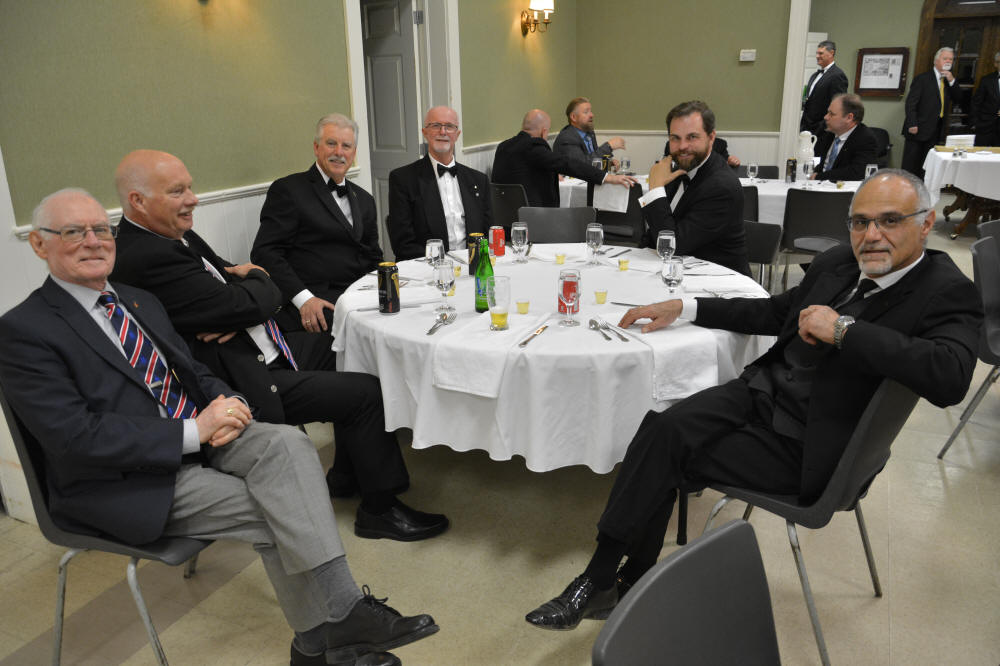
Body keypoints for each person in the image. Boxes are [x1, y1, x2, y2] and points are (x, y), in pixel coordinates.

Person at [0, 188, 444, 666]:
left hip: (201, 436)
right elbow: (74, 438)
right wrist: (195, 431)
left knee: (289, 445)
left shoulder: (137, 300)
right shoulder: (25, 330)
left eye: (101, 230)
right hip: (126, 478)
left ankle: (334, 626)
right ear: (39, 243)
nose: (93, 241)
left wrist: (226, 402)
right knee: (279, 507)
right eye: (73, 232)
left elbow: (190, 368)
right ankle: (324, 639)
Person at [523, 169, 982, 631]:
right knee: (661, 427)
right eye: (860, 222)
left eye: (890, 220)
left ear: (926, 223)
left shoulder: (945, 289)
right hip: (761, 393)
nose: (872, 235)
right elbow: (775, 312)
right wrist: (686, 307)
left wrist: (844, 330)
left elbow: (950, 377)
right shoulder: (840, 263)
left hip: (813, 443)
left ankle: (604, 578)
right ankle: (616, 579)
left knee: (666, 454)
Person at [110, 150, 449, 544]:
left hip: (262, 344)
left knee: (347, 347)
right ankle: (379, 509)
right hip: (243, 375)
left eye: (190, 188)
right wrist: (252, 284)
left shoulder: (174, 233)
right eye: (177, 191)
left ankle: (346, 474)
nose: (193, 199)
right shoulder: (146, 254)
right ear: (138, 201)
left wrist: (244, 294)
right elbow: (245, 295)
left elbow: (235, 287)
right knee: (366, 393)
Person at [252, 114, 383, 333]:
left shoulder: (365, 199)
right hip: (318, 299)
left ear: (354, 153)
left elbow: (373, 255)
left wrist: (390, 288)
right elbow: (265, 253)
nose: (339, 152)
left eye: (346, 146)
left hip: (360, 294)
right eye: (331, 143)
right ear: (316, 147)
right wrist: (304, 299)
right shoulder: (289, 190)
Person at [639, 100, 751, 276]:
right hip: (677, 273)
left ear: (711, 137)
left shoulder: (721, 187)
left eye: (692, 137)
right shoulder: (679, 167)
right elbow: (654, 232)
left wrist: (655, 189)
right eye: (675, 138)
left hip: (718, 284)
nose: (682, 146)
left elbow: (671, 246)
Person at [387, 106, 491, 261]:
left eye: (449, 126)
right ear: (425, 133)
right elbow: (403, 244)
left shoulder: (479, 180)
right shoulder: (403, 179)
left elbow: (488, 233)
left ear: (457, 134)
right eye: (435, 125)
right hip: (428, 266)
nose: (443, 132)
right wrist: (442, 262)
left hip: (473, 265)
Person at [491, 109, 636, 207]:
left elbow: (523, 172)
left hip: (502, 216)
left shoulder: (503, 146)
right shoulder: (534, 147)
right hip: (532, 218)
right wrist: (606, 177)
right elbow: (566, 163)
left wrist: (552, 172)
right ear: (544, 132)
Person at [901, 47, 956, 178]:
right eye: (945, 58)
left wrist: (952, 81)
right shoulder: (922, 79)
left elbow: (958, 98)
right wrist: (912, 123)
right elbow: (911, 103)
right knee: (911, 166)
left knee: (927, 167)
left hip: (936, 130)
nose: (948, 61)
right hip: (918, 129)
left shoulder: (948, 80)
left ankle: (923, 189)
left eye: (951, 59)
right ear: (936, 61)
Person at [811, 93, 879, 181]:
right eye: (828, 112)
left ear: (849, 118)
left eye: (831, 114)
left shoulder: (865, 139)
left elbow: (856, 172)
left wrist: (819, 177)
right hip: (818, 185)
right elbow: (819, 163)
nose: (826, 117)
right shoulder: (829, 133)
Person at [552, 97, 626, 169]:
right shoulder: (567, 138)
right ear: (573, 117)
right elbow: (581, 166)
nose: (591, 115)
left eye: (591, 111)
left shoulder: (589, 133)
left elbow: (592, 160)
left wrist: (608, 163)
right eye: (586, 112)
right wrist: (609, 146)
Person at [800, 40, 849, 135]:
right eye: (817, 53)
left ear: (831, 53)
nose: (817, 56)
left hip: (822, 130)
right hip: (805, 127)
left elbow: (838, 106)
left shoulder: (837, 75)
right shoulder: (814, 75)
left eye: (821, 53)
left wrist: (822, 127)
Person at [971, 51, 1000, 147]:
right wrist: (975, 123)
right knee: (979, 154)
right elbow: (976, 103)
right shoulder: (986, 80)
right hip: (985, 127)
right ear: (996, 64)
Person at [663, 136, 740, 168]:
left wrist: (732, 161)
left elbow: (725, 161)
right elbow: (665, 163)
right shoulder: (672, 145)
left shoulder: (719, 144)